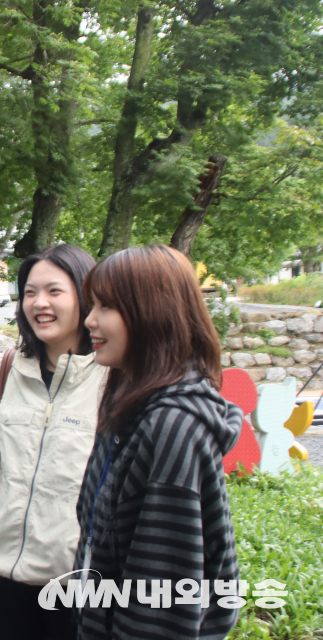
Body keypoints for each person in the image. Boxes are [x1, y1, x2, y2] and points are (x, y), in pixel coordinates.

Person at [75, 244, 242, 639]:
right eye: (91, 306)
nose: (89, 321)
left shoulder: (172, 427)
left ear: (153, 313)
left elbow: (162, 600)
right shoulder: (129, 404)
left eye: (106, 307)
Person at [0, 244, 107, 640]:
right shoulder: (5, 369)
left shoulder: (113, 378)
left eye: (55, 291)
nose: (40, 303)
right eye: (29, 292)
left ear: (85, 294)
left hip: (76, 585)